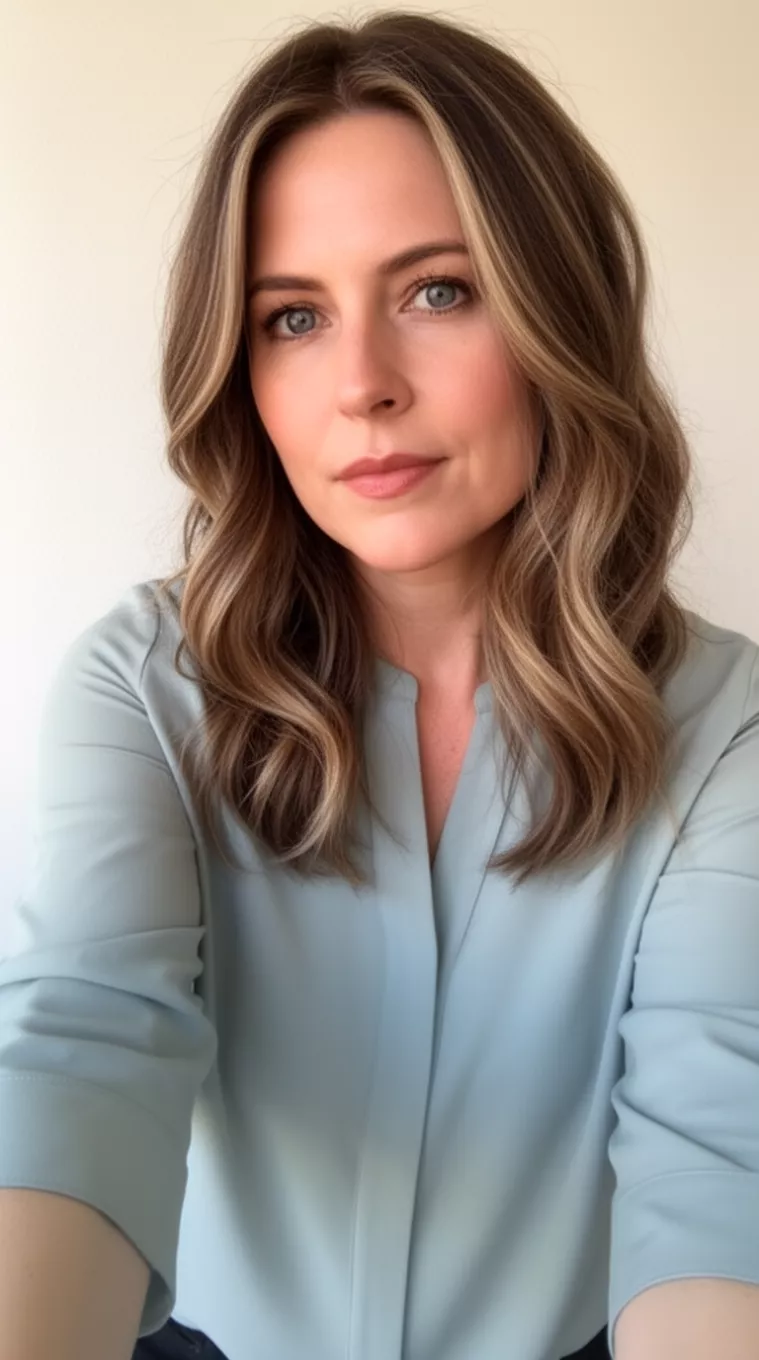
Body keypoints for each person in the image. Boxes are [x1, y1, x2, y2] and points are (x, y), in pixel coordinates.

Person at [1, 10, 758, 1360]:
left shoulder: (722, 727)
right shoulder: (138, 683)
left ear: (555, 313)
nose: (360, 386)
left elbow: (721, 1163)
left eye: (436, 291)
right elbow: (80, 1050)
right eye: (291, 318)